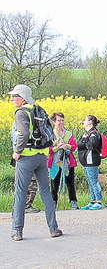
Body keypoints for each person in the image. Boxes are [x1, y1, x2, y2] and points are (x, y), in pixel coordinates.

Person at [8, 84, 62, 241]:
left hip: (26, 158)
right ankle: (53, 228)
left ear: (23, 98)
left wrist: (17, 152)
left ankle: (17, 230)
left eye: (15, 96)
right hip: (41, 157)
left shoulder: (21, 112)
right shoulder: (39, 109)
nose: (12, 99)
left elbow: (24, 133)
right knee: (45, 192)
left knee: (20, 193)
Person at [48, 112, 79, 210]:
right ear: (54, 121)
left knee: (70, 182)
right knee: (54, 182)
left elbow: (74, 146)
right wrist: (56, 148)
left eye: (62, 120)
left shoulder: (69, 134)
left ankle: (73, 201)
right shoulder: (50, 134)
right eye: (58, 120)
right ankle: (53, 202)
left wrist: (67, 146)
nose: (61, 122)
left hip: (67, 161)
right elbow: (47, 148)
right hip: (55, 162)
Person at [78, 115, 104, 210]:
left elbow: (91, 145)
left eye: (85, 120)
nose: (83, 122)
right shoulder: (87, 133)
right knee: (90, 182)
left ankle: (99, 201)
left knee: (94, 181)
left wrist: (84, 139)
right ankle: (93, 201)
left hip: (92, 161)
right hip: (86, 162)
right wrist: (84, 139)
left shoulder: (94, 134)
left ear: (90, 122)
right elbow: (79, 144)